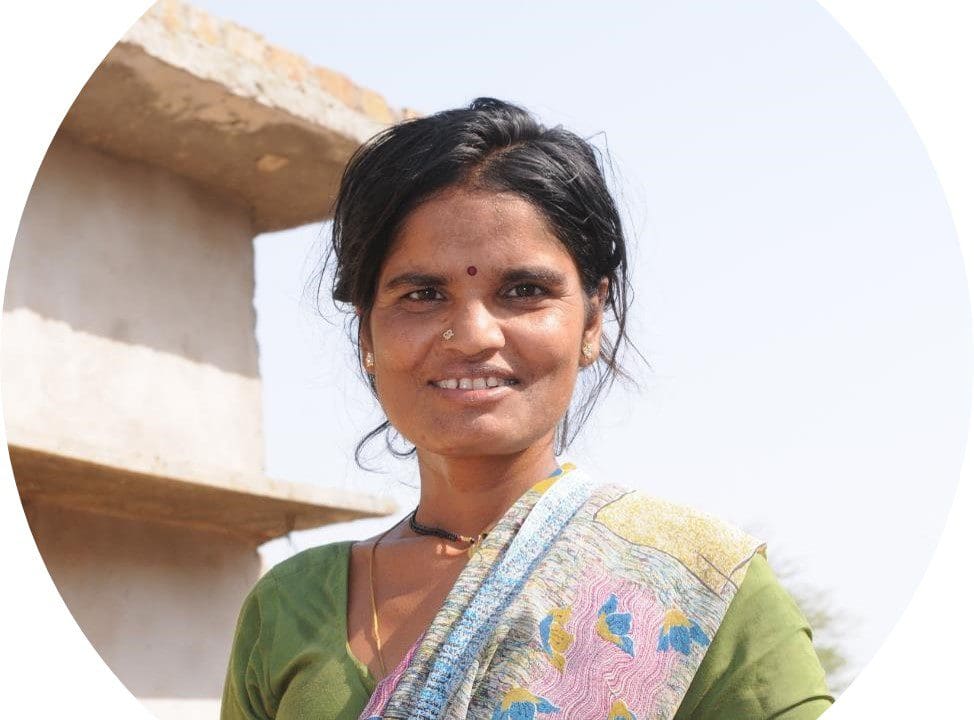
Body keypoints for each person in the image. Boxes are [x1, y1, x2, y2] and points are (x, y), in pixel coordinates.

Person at [220, 98, 833, 720]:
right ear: (366, 336)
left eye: (524, 291)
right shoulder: (288, 609)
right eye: (423, 293)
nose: (474, 333)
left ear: (592, 319)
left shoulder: (701, 590)